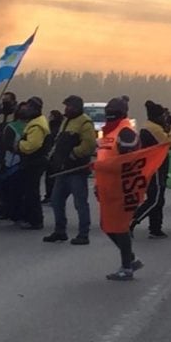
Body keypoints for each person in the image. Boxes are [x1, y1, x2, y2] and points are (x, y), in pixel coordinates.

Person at [97, 97, 143, 280]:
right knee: (106, 225)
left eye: (112, 109)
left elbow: (128, 161)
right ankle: (130, 259)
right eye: (108, 109)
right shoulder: (110, 131)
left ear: (122, 113)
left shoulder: (125, 132)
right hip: (107, 185)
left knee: (119, 226)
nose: (108, 112)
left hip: (121, 187)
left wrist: (103, 167)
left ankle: (127, 266)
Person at [44, 95, 97, 244]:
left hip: (77, 170)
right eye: (66, 106)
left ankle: (83, 234)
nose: (66, 109)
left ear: (77, 107)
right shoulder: (66, 121)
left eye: (69, 106)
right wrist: (52, 156)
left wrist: (74, 154)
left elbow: (89, 145)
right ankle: (60, 231)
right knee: (56, 201)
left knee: (80, 203)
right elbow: (59, 141)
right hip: (62, 169)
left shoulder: (85, 122)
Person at [131, 100, 171, 238]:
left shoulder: (149, 126)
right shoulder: (154, 129)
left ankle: (155, 228)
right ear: (157, 116)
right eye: (163, 115)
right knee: (155, 200)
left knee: (158, 200)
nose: (164, 118)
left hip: (154, 167)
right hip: (155, 168)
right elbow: (168, 143)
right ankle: (132, 220)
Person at [17, 96, 51, 230]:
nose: (26, 109)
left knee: (31, 192)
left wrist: (18, 145)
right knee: (30, 190)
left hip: (34, 161)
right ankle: (31, 218)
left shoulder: (37, 125)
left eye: (29, 107)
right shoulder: (38, 121)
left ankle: (35, 220)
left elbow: (32, 145)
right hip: (35, 161)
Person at [0, 102, 27, 221]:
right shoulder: (11, 127)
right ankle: (12, 212)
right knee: (12, 189)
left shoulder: (34, 126)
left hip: (25, 162)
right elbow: (6, 145)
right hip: (13, 163)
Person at [42, 109, 65, 204]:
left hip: (53, 155)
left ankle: (51, 196)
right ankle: (50, 196)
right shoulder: (56, 127)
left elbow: (52, 141)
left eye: (50, 116)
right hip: (53, 155)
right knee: (51, 177)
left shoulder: (54, 128)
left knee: (51, 177)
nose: (49, 118)